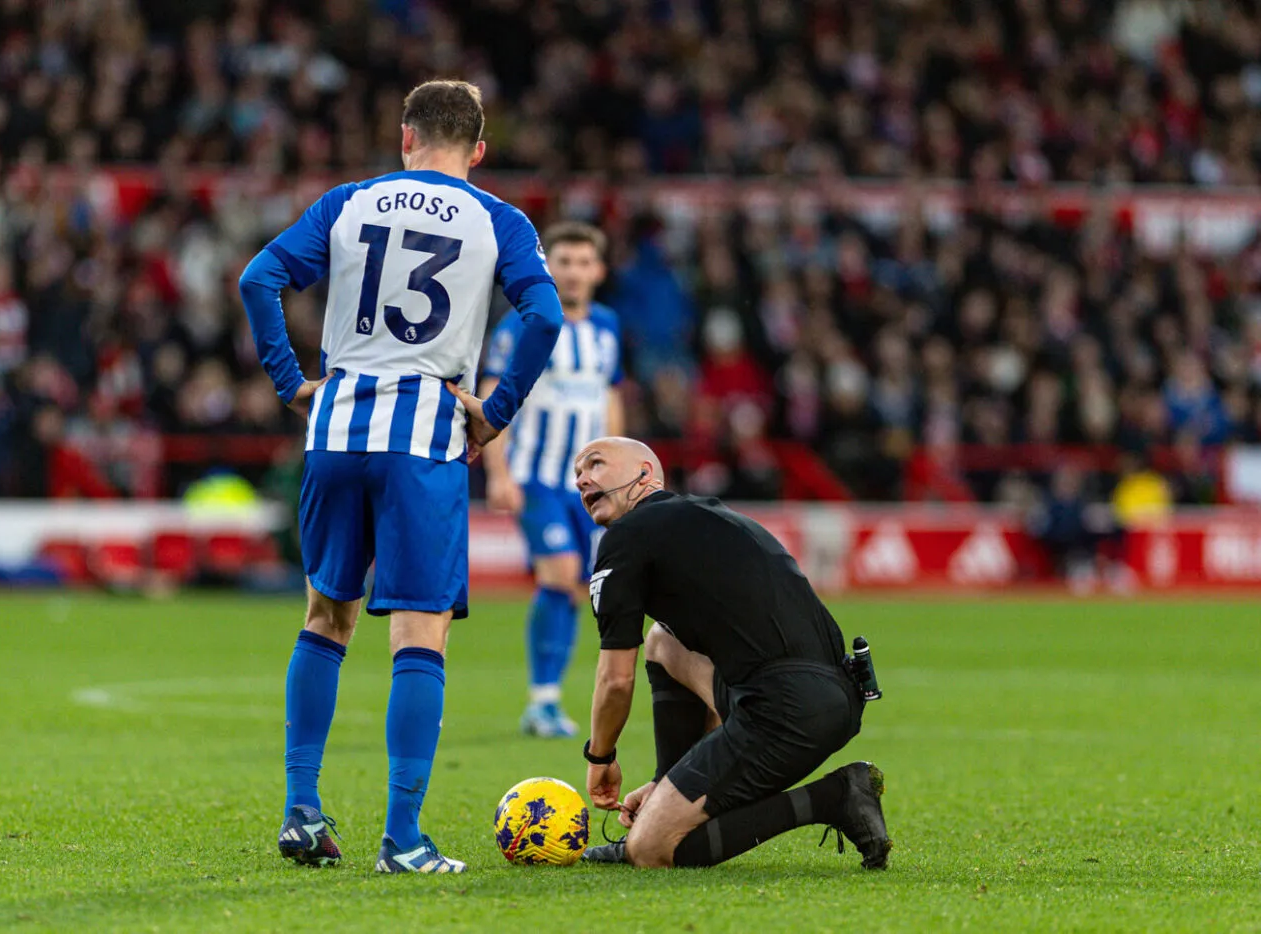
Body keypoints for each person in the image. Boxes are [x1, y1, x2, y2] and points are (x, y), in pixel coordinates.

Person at [237, 79, 562, 873]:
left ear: (405, 136)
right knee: (420, 635)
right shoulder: (498, 221)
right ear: (479, 151)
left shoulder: (351, 200)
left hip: (338, 426)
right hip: (425, 435)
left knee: (325, 618)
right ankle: (403, 839)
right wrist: (497, 409)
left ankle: (301, 812)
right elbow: (546, 316)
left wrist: (291, 383)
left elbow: (258, 280)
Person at [569, 437, 891, 869]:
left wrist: (601, 757)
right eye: (577, 474)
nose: (582, 479)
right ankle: (668, 783)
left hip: (783, 711)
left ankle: (833, 798)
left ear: (645, 474)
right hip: (832, 693)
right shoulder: (709, 514)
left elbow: (616, 679)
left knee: (649, 850)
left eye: (595, 464)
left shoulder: (626, 537)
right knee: (663, 642)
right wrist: (668, 787)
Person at [479, 221, 624, 738]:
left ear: (599, 271)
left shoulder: (607, 327)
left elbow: (610, 397)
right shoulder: (522, 324)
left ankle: (550, 698)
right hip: (536, 477)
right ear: (548, 268)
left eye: (585, 262)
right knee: (560, 572)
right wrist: (498, 473)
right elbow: (494, 396)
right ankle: (541, 701)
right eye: (564, 262)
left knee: (581, 585)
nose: (575, 272)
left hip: (588, 486)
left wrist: (621, 471)